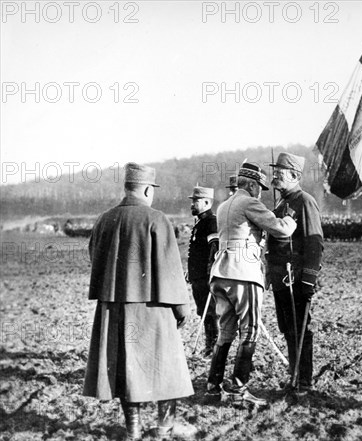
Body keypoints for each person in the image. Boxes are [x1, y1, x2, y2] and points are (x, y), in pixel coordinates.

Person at [83, 163, 196, 440]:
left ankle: (132, 429)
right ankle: (163, 428)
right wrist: (182, 309)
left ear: (126, 187)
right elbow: (170, 268)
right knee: (167, 369)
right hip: (154, 307)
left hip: (115, 308)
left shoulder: (104, 219)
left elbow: (94, 256)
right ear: (147, 189)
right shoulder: (157, 220)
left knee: (125, 369)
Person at [207, 162, 297, 405]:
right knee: (250, 330)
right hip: (243, 273)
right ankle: (238, 390)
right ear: (250, 184)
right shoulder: (249, 202)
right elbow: (280, 230)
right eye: (259, 187)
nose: (260, 192)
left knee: (225, 331)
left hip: (220, 274)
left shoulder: (224, 205)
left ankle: (212, 386)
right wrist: (289, 219)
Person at [266, 153, 324, 394]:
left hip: (297, 278)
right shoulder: (281, 204)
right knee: (288, 329)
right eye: (275, 172)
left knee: (300, 330)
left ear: (295, 176)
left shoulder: (305, 201)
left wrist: (309, 278)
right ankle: (294, 377)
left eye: (279, 173)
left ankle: (304, 382)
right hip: (281, 278)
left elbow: (315, 243)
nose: (274, 177)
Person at [187, 185, 219, 357]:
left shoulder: (211, 222)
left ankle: (213, 346)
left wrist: (210, 274)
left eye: (196, 201)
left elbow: (214, 249)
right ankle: (210, 345)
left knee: (211, 312)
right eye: (192, 201)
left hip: (206, 277)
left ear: (207, 202)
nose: (192, 204)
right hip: (197, 276)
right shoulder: (199, 223)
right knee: (203, 312)